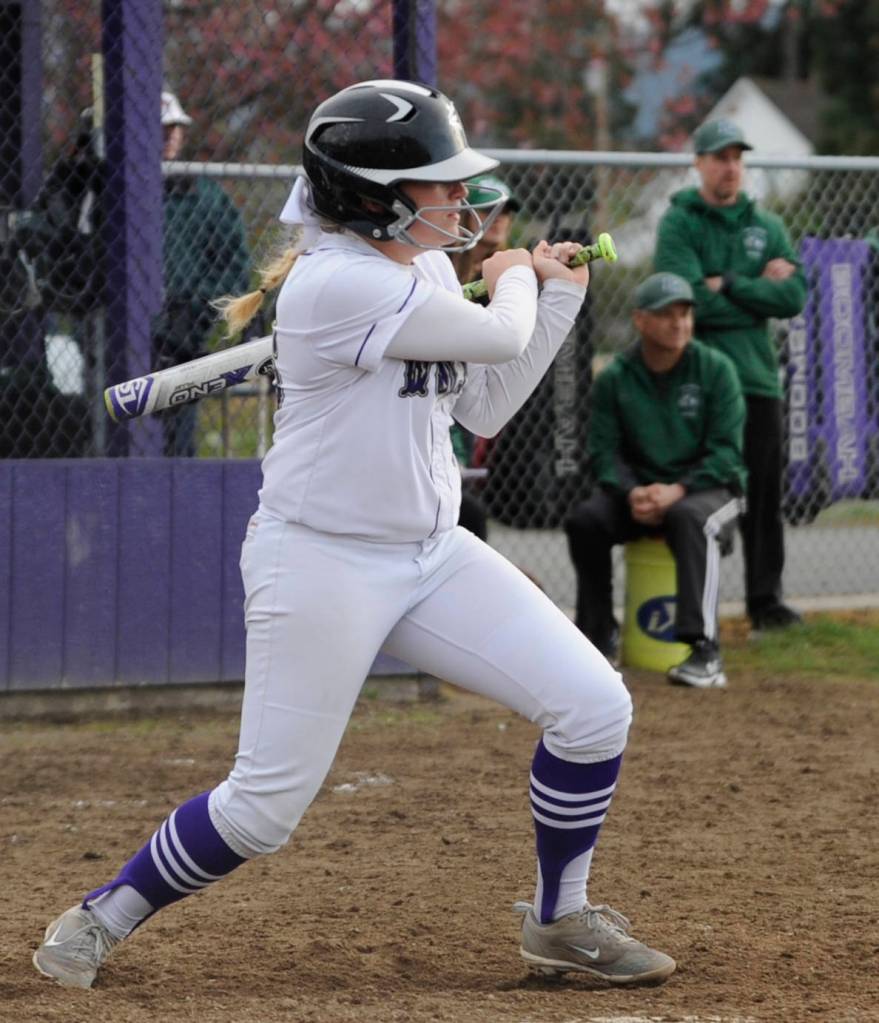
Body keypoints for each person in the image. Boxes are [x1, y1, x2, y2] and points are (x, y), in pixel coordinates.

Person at [32, 80, 674, 991]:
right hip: (321, 560)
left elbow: (485, 401)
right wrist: (515, 275)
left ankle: (558, 917)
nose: (460, 198)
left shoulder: (416, 268)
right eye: (438, 182)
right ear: (371, 197)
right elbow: (500, 333)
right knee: (262, 810)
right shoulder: (336, 282)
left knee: (594, 707)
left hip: (430, 553)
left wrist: (555, 298)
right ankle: (103, 914)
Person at [654, 118, 808, 633]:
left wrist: (731, 284)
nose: (730, 167)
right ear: (698, 163)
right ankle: (692, 610)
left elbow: (794, 296)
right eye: (720, 157)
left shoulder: (767, 226)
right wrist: (753, 293)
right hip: (697, 382)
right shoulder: (679, 224)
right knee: (698, 494)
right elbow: (683, 301)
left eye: (737, 158)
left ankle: (766, 603)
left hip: (757, 381)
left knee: (763, 497)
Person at [565, 272, 746, 688]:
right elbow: (603, 451)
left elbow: (727, 454)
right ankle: (598, 641)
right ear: (640, 320)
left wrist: (678, 490)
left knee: (691, 517)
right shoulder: (615, 376)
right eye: (666, 314)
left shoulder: (716, 370)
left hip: (710, 490)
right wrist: (632, 492)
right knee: (585, 521)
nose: (679, 323)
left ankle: (705, 652)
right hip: (642, 493)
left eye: (685, 314)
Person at [154, 90, 251, 456]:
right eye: (161, 129)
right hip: (122, 338)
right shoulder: (108, 189)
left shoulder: (204, 195)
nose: (169, 136)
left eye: (175, 128)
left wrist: (196, 308)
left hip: (182, 336)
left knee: (178, 441)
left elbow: (235, 268)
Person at [449, 174, 522, 541]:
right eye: (488, 210)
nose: (499, 219)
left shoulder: (512, 274)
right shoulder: (444, 269)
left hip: (496, 394)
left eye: (505, 211)